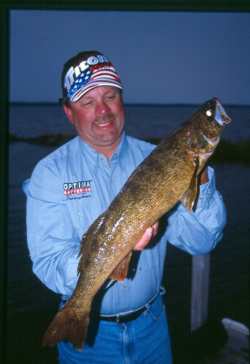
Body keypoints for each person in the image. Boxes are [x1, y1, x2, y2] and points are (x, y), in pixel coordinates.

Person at [23, 50, 227, 364]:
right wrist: (112, 254)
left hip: (153, 330)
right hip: (91, 345)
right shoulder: (49, 174)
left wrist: (198, 175)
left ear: (122, 99)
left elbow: (203, 240)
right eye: (87, 102)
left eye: (110, 96)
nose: (102, 111)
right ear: (68, 111)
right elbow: (49, 262)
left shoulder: (156, 158)